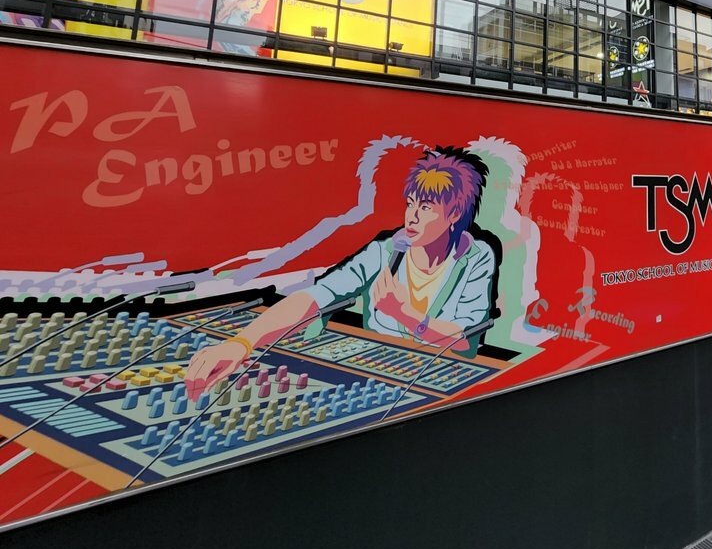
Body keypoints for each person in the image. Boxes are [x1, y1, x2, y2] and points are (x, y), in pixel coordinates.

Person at [185, 146, 496, 400]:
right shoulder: (386, 251)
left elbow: (462, 338)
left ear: (454, 214)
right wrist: (242, 343)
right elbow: (316, 296)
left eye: (426, 207)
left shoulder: (477, 257)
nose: (411, 216)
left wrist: (405, 314)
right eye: (411, 203)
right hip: (378, 380)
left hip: (447, 391)